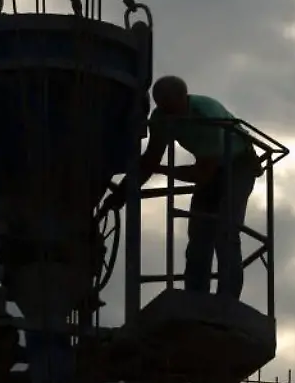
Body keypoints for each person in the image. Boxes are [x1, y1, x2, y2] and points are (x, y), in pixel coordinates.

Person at [102, 75, 261, 299]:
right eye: (164, 107)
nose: (169, 114)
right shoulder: (162, 118)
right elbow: (150, 160)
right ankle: (196, 298)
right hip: (211, 166)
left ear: (183, 98)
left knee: (226, 231)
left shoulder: (206, 116)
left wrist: (163, 171)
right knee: (198, 234)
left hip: (239, 165)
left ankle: (227, 300)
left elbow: (202, 174)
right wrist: (122, 193)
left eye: (173, 107)